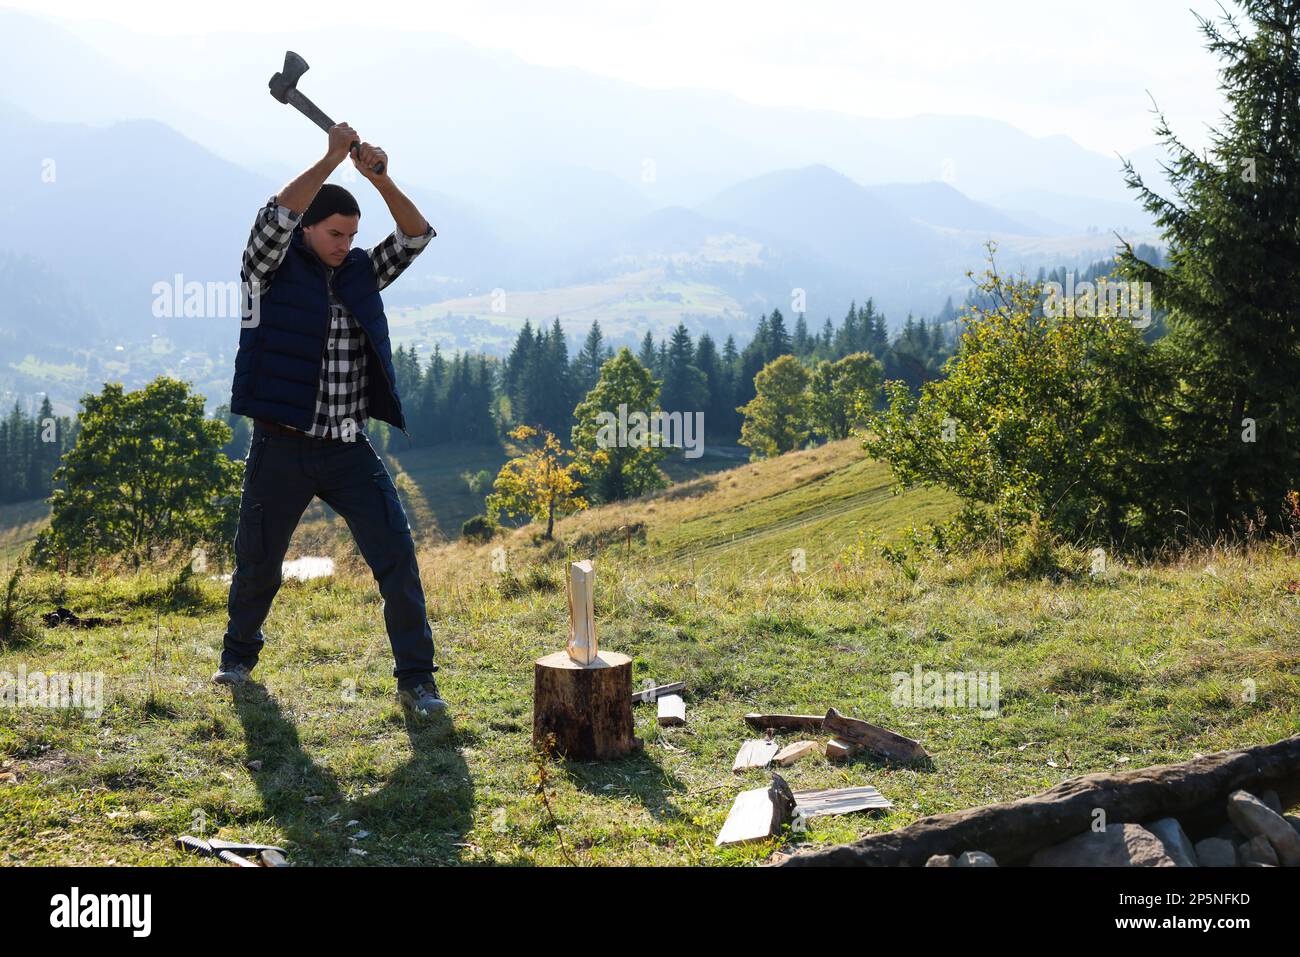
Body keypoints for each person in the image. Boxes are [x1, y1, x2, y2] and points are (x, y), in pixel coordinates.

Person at [215, 122, 446, 718]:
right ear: (308, 229)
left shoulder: (362, 270)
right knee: (259, 562)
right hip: (282, 447)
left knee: (396, 557)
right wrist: (328, 158)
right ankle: (237, 661)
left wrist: (378, 177)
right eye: (335, 233)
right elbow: (272, 218)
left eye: (352, 234)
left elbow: (416, 235)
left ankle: (418, 681)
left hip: (348, 449)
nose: (345, 243)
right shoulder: (267, 270)